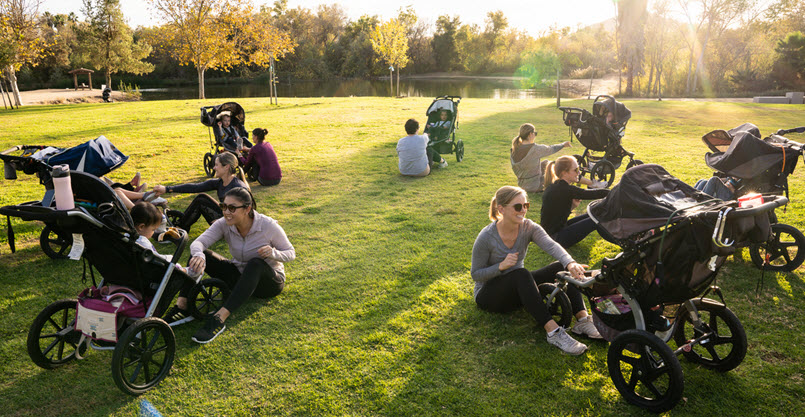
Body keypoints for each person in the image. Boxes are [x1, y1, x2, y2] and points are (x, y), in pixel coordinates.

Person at [471, 186, 602, 356]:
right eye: (518, 207)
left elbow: (551, 245)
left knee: (559, 266)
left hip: (519, 289)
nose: (523, 210)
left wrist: (570, 263)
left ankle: (582, 320)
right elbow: (476, 274)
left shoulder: (528, 227)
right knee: (521, 274)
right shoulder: (487, 237)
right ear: (501, 209)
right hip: (489, 296)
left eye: (526, 205)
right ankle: (553, 333)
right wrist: (500, 267)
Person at [163, 187, 295, 344]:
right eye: (223, 206)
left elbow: (290, 253)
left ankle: (220, 318)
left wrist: (274, 253)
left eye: (232, 208)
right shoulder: (224, 224)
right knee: (200, 253)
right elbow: (199, 242)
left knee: (256, 263)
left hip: (268, 283)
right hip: (240, 277)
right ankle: (182, 306)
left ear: (247, 209)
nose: (226, 212)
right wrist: (199, 254)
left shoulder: (267, 226)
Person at [152, 152, 249, 231]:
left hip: (234, 225)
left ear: (226, 167)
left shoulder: (239, 188)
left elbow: (246, 213)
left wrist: (222, 221)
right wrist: (167, 189)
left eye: (216, 165)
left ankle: (179, 228)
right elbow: (195, 187)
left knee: (201, 199)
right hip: (225, 217)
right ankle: (180, 226)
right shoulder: (220, 182)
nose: (214, 168)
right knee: (201, 198)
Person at [510, 123, 605, 193]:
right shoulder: (534, 149)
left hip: (522, 184)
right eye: (535, 133)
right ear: (530, 134)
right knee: (565, 169)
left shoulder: (514, 148)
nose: (535, 135)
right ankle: (592, 184)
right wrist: (563, 144)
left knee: (547, 163)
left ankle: (587, 181)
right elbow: (551, 149)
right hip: (534, 185)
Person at [540, 156, 610, 249]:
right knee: (595, 220)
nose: (579, 172)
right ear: (564, 173)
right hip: (555, 239)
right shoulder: (565, 189)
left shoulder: (555, 186)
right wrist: (616, 192)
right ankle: (621, 243)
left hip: (552, 235)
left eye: (579, 168)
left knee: (594, 213)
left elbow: (556, 216)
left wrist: (572, 206)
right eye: (576, 169)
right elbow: (594, 193)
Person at [130, 201, 187, 272]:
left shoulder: (126, 237)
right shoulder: (142, 243)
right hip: (152, 272)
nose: (153, 232)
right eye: (153, 229)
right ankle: (185, 271)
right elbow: (158, 260)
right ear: (141, 227)